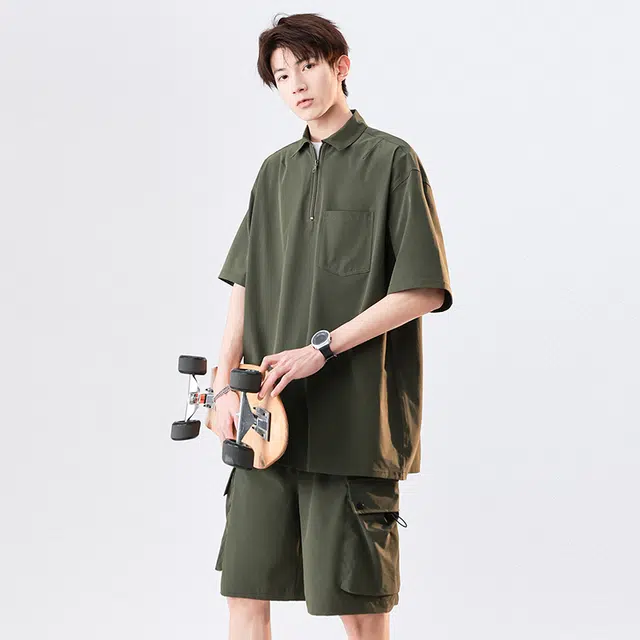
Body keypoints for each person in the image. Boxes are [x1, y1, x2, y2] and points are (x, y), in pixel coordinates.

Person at [206, 12, 453, 640]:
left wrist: (323, 348)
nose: (296, 84)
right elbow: (243, 287)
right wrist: (222, 384)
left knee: (360, 609)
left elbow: (422, 288)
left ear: (340, 66)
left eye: (308, 66)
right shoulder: (274, 172)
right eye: (281, 75)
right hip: (267, 421)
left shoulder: (391, 160)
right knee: (243, 591)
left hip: (353, 423)